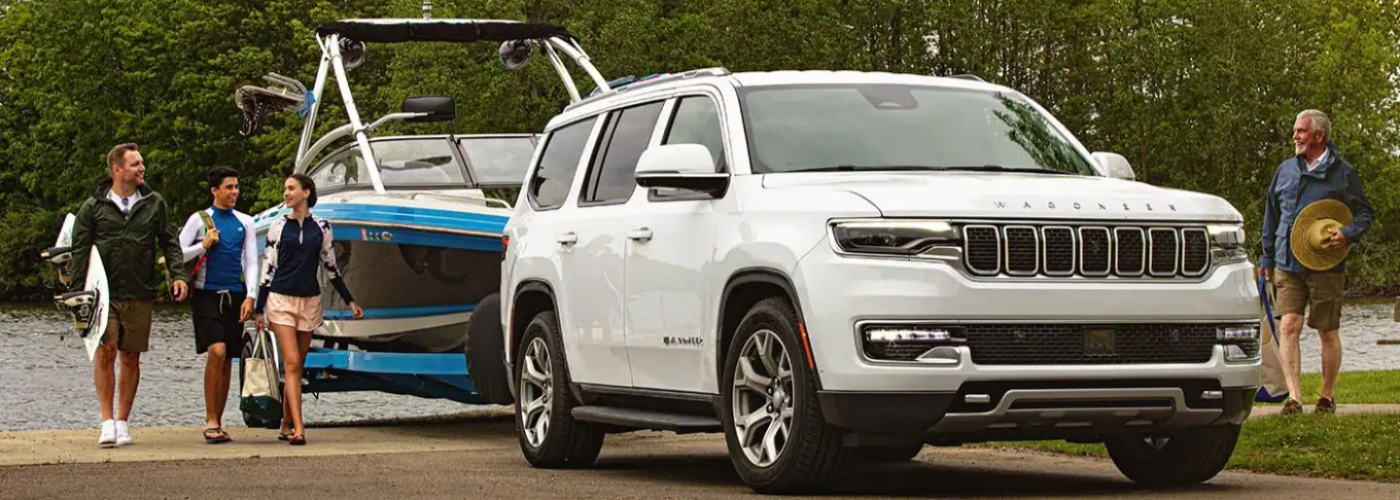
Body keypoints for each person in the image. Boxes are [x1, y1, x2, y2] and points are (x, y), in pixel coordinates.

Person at [68, 142, 189, 447]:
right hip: (102, 294)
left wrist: (178, 275)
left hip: (140, 290)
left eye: (141, 163)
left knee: (131, 356)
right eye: (135, 164)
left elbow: (170, 242)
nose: (141, 169)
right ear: (117, 169)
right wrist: (76, 294)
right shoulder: (93, 207)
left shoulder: (154, 203)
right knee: (106, 350)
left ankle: (123, 422)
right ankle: (106, 421)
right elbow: (79, 251)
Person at [1259, 109, 1374, 415]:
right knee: (1289, 326)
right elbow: (1271, 214)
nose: (1295, 136)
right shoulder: (1284, 171)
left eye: (1301, 131)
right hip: (1286, 261)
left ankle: (1326, 397)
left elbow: (1365, 214)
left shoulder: (1343, 173)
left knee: (1327, 331)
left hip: (1326, 264)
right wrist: (1265, 255)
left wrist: (1348, 234)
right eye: (1295, 130)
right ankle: (1294, 398)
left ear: (1319, 136)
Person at [253, 173, 363, 445]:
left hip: (309, 301)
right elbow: (268, 269)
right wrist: (259, 308)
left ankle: (285, 422)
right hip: (280, 299)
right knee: (291, 362)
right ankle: (300, 429)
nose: (286, 193)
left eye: (291, 188)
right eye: (284, 189)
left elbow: (331, 268)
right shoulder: (278, 226)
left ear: (306, 192)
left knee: (297, 365)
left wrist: (350, 300)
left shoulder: (322, 227)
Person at [178, 166, 258, 444]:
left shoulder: (245, 222)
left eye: (236, 187)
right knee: (217, 350)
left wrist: (251, 296)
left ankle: (218, 421)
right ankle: (210, 418)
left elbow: (251, 261)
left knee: (227, 359)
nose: (234, 192)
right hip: (205, 294)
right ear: (215, 191)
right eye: (229, 187)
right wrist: (203, 245)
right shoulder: (200, 219)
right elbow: (177, 253)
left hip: (235, 295)